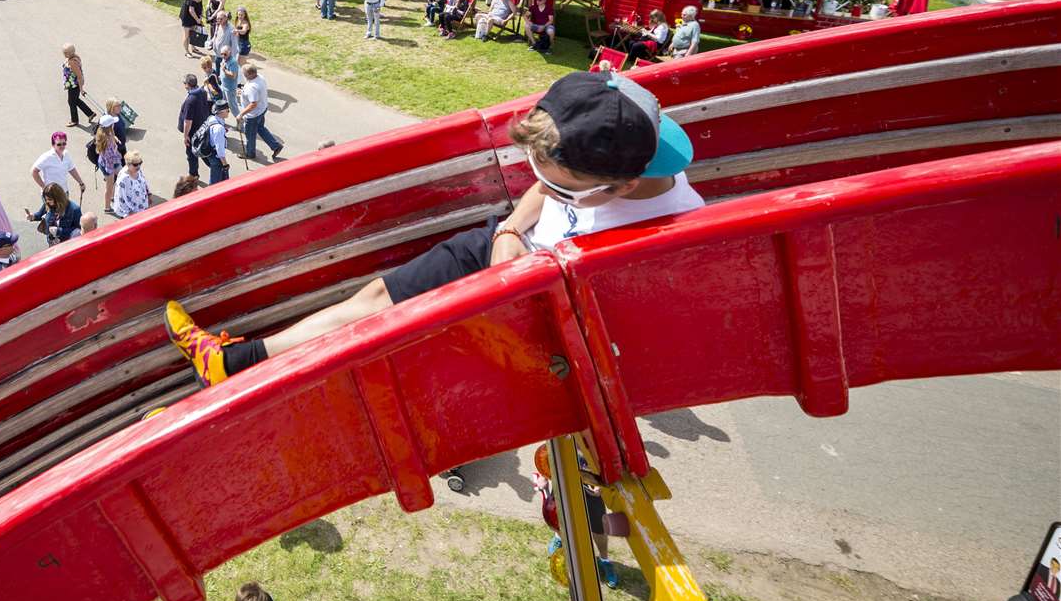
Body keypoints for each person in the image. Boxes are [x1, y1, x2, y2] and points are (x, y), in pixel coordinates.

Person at [165, 71, 702, 387]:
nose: (542, 184)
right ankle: (233, 363)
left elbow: (531, 307)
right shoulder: (616, 139)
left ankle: (237, 386)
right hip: (508, 246)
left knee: (381, 339)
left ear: (624, 185)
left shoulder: (662, 235)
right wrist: (511, 227)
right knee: (377, 296)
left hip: (531, 306)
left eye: (562, 186)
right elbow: (540, 193)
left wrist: (509, 251)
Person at [236, 64, 282, 162]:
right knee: (260, 128)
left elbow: (253, 104)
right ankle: (275, 146)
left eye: (244, 73)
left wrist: (241, 114)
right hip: (262, 110)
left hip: (253, 115)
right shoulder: (260, 77)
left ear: (249, 74)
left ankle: (250, 153)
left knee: (250, 135)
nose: (243, 75)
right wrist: (243, 92)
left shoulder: (252, 87)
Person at [32, 131, 88, 203]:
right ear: (53, 145)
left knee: (64, 213)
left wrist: (81, 183)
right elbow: (34, 171)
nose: (62, 146)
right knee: (52, 214)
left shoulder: (66, 154)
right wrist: (44, 188)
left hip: (64, 192)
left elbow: (71, 169)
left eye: (64, 143)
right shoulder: (47, 157)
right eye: (59, 144)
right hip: (51, 195)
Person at [61, 44, 99, 128]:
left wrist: (81, 89)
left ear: (68, 53)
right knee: (75, 100)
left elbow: (79, 76)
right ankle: (90, 113)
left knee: (71, 102)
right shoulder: (74, 57)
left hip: (74, 85)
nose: (63, 54)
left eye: (65, 52)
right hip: (73, 84)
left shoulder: (72, 62)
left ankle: (74, 120)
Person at [197, 98, 232, 185]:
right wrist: (225, 164)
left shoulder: (212, 118)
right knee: (215, 183)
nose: (229, 112)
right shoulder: (219, 129)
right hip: (215, 157)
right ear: (221, 112)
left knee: (219, 178)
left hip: (207, 152)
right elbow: (220, 150)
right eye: (227, 110)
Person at [92, 115, 123, 213]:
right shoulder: (107, 141)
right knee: (109, 187)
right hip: (109, 165)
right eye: (113, 123)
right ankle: (107, 207)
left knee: (122, 175)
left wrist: (115, 138)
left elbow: (111, 136)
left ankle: (113, 196)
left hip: (106, 162)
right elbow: (109, 159)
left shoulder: (103, 133)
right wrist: (110, 173)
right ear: (110, 126)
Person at [113, 151, 150, 218]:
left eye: (140, 163)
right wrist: (129, 214)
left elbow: (143, 182)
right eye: (135, 164)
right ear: (128, 164)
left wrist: (148, 194)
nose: (138, 166)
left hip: (141, 208)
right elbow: (120, 198)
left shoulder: (138, 170)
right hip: (131, 213)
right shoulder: (123, 178)